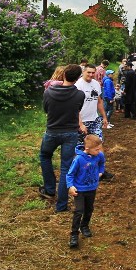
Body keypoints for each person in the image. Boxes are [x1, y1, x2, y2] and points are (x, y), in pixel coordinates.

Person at [40, 64, 86, 213]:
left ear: (64, 74)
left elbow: (46, 110)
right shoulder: (80, 95)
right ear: (78, 78)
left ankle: (49, 189)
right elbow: (77, 110)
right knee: (66, 167)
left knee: (45, 156)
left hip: (52, 132)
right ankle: (61, 206)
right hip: (70, 134)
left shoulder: (48, 92)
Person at [66, 134, 105, 248]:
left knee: (89, 209)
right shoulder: (78, 159)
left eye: (99, 149)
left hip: (92, 188)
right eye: (96, 149)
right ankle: (74, 234)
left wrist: (101, 172)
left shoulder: (99, 156)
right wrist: (70, 186)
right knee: (79, 211)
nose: (99, 151)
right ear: (87, 149)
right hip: (80, 190)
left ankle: (85, 226)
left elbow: (102, 163)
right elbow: (70, 174)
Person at [75, 64, 109, 141]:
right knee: (82, 145)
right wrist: (80, 124)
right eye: (89, 72)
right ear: (83, 72)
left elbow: (99, 101)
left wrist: (104, 117)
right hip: (82, 120)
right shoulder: (77, 85)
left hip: (94, 119)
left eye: (93, 73)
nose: (91, 75)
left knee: (98, 142)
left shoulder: (96, 84)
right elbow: (75, 106)